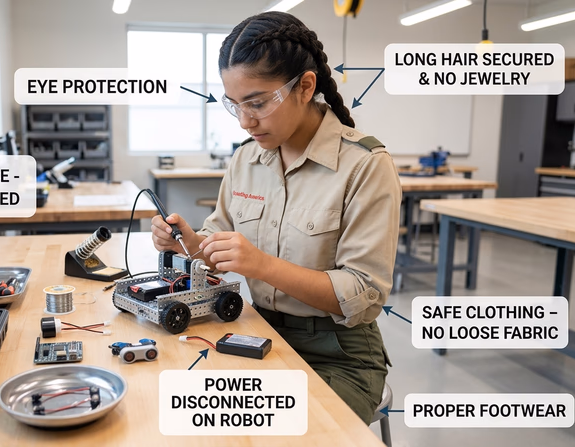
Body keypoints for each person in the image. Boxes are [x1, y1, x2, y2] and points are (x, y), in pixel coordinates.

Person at [150, 11, 401, 424]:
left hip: (338, 356)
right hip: (257, 331)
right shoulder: (246, 159)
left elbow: (363, 295)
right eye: (235, 105)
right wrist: (191, 243)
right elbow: (220, 239)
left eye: (258, 103)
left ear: (305, 86)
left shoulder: (365, 166)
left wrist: (264, 266)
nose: (247, 121)